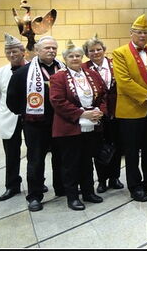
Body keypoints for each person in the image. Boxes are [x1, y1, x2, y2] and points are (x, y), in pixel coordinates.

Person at [111, 14, 147, 202]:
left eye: (145, 32)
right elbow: (124, 82)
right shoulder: (120, 53)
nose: (143, 35)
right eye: (139, 32)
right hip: (131, 110)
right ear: (131, 34)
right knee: (132, 150)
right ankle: (135, 186)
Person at [6, 36, 65, 212]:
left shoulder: (64, 70)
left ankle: (62, 188)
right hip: (35, 124)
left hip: (60, 122)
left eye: (54, 48)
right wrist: (25, 113)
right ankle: (35, 196)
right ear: (37, 51)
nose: (51, 51)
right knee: (36, 160)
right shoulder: (23, 73)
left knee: (61, 157)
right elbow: (12, 99)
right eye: (47, 48)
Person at [49, 40, 109, 211]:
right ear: (65, 59)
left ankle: (88, 192)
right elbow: (57, 101)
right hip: (69, 127)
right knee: (71, 163)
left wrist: (100, 112)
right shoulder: (58, 77)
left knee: (87, 161)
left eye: (77, 55)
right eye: (71, 56)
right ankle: (73, 197)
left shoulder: (92, 74)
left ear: (82, 57)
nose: (75, 58)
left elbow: (103, 95)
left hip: (92, 126)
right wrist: (82, 114)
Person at [83, 34, 123, 193]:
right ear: (87, 54)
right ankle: (102, 180)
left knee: (117, 146)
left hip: (117, 111)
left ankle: (115, 177)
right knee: (99, 147)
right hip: (96, 114)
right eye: (91, 51)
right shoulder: (84, 68)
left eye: (98, 49)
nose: (96, 53)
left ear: (104, 50)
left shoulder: (115, 64)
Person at [0, 34, 27, 201]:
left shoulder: (34, 69)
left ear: (23, 51)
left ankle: (37, 183)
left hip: (31, 118)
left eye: (15, 51)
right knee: (11, 153)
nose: (11, 55)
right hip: (9, 117)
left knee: (35, 153)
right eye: (8, 52)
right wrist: (7, 111)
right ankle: (12, 185)